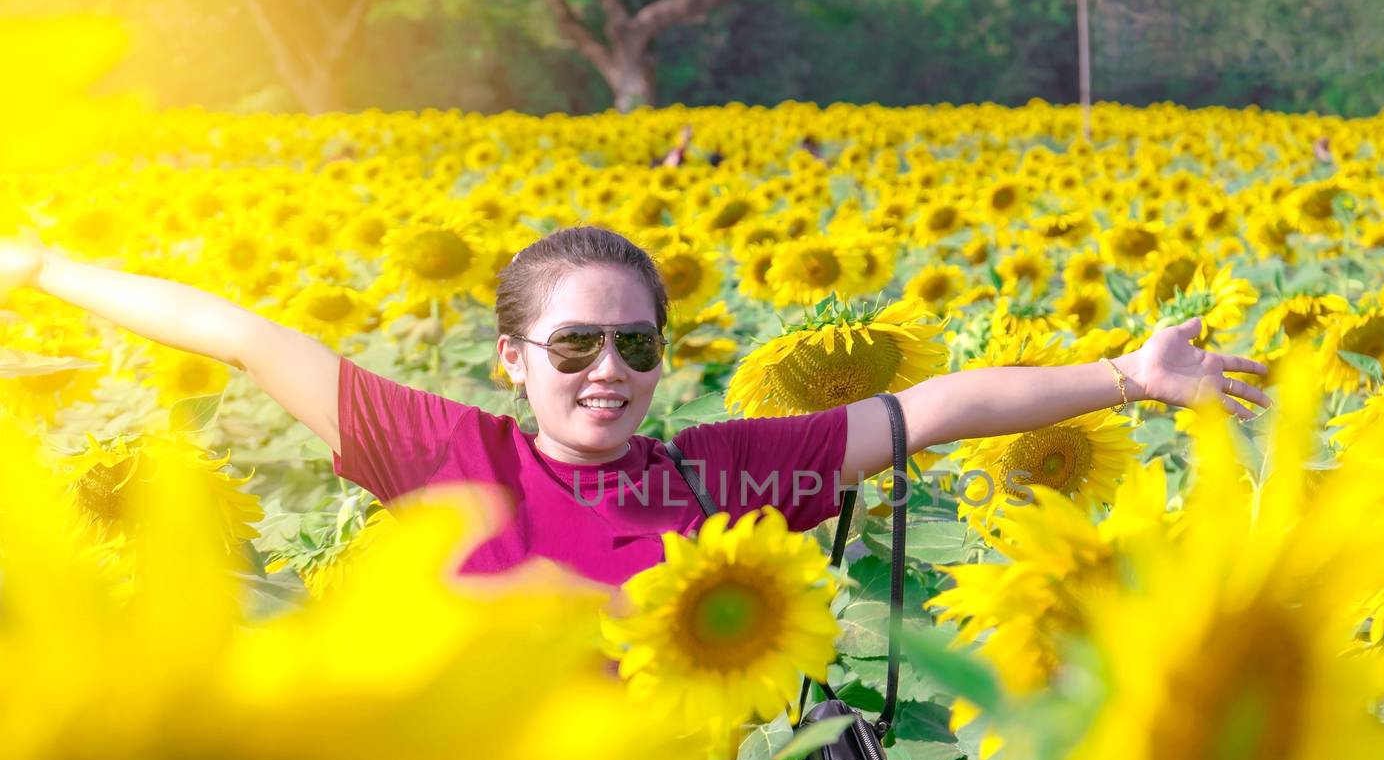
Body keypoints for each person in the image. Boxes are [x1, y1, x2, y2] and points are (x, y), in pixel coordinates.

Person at [0, 226, 1270, 587]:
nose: (606, 369)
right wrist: (47, 271)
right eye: (574, 345)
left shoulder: (724, 469)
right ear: (511, 358)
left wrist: (1125, 378)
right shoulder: (445, 452)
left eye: (636, 343)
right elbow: (241, 336)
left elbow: (929, 410)